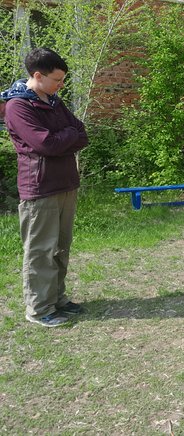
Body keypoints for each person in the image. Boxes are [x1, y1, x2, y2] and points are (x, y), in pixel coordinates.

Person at [1, 47, 88, 327]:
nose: (61, 85)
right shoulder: (18, 106)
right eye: (57, 80)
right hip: (40, 188)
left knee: (61, 248)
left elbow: (82, 133)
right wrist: (67, 136)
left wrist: (64, 136)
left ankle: (57, 299)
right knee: (41, 251)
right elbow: (45, 144)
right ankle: (39, 309)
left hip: (66, 183)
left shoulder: (53, 102)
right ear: (38, 76)